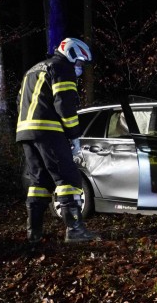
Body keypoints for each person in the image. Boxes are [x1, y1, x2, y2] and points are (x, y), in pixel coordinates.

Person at [17, 37, 100, 243]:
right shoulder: (62, 68)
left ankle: (33, 234)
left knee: (39, 182)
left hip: (25, 132)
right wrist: (74, 135)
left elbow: (19, 101)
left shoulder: (33, 70)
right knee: (68, 179)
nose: (79, 68)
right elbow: (64, 105)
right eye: (79, 63)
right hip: (49, 131)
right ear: (71, 54)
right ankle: (75, 230)